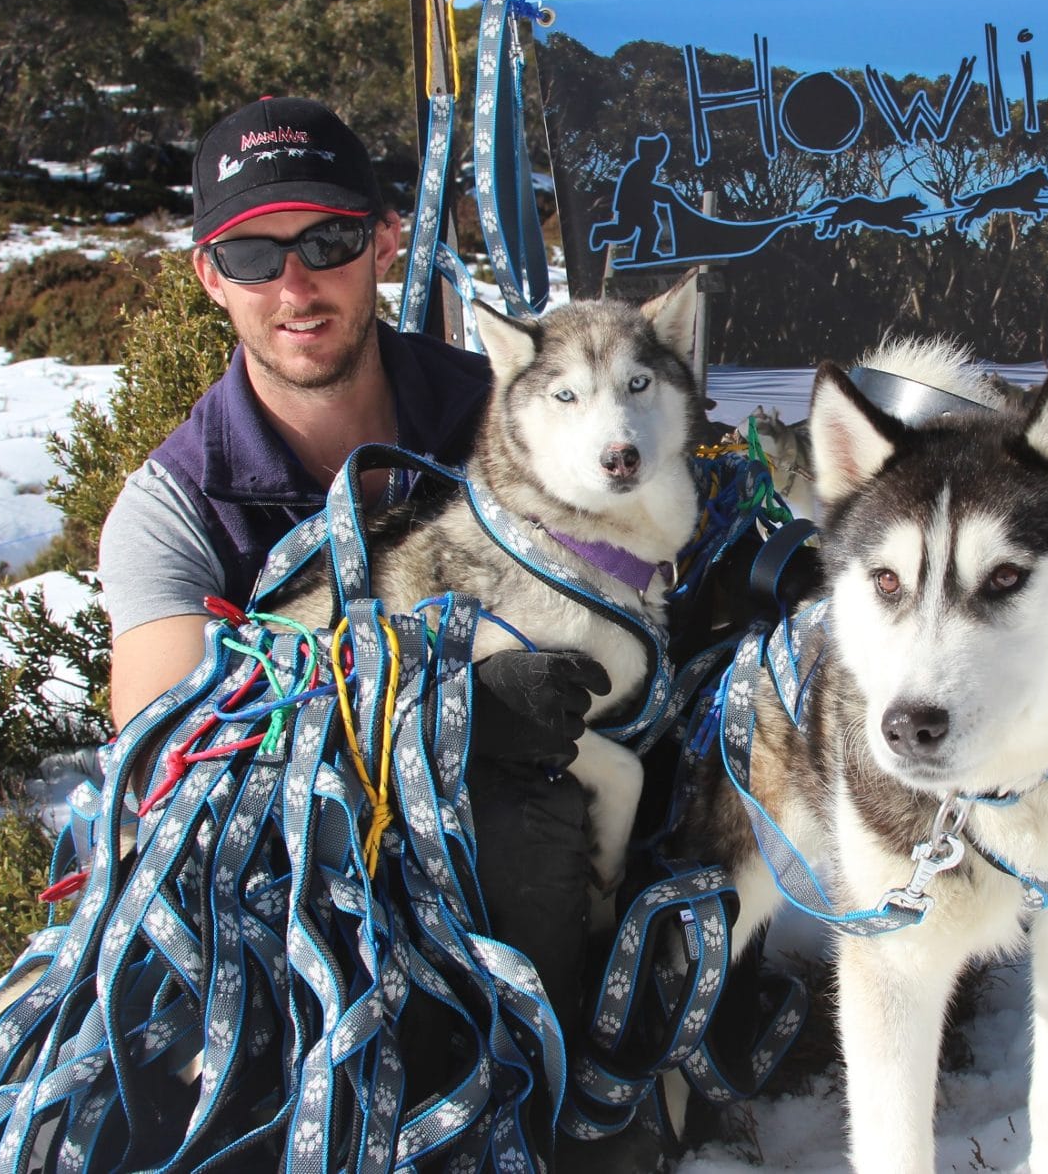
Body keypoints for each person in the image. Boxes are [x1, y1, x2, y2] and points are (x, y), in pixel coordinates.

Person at [96, 96, 655, 1169]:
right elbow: (169, 758)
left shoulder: (501, 402)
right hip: (309, 872)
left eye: (328, 242)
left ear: (384, 240)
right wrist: (434, 707)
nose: (295, 286)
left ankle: (575, 1093)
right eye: (254, 254)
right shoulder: (174, 506)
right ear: (209, 275)